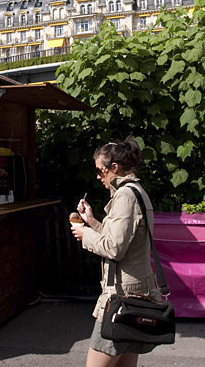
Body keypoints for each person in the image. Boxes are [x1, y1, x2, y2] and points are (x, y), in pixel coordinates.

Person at [71, 137, 161, 367]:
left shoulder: (125, 196)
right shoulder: (135, 191)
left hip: (123, 296)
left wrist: (85, 234)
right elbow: (121, 239)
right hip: (136, 292)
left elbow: (114, 248)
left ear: (114, 167)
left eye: (100, 171)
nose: (98, 176)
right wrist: (92, 222)